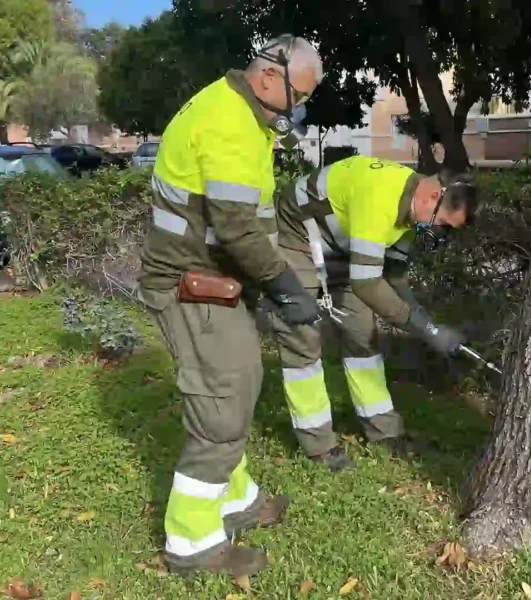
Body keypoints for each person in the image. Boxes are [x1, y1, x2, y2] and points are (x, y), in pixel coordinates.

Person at [137, 35, 324, 577]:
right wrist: (286, 287)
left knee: (241, 383)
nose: (298, 108)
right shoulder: (230, 122)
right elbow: (238, 229)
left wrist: (268, 284)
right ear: (268, 76)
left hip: (216, 280)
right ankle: (193, 543)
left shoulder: (237, 111)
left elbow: (243, 219)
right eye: (298, 96)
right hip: (190, 285)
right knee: (221, 408)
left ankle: (236, 501)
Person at [271, 155, 479, 471]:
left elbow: (394, 276)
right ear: (434, 196)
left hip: (340, 247)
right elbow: (367, 284)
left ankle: (385, 432)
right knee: (303, 338)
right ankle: (318, 446)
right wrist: (426, 330)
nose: (440, 233)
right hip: (297, 236)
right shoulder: (380, 196)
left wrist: (427, 322)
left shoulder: (411, 211)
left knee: (363, 337)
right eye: (443, 225)